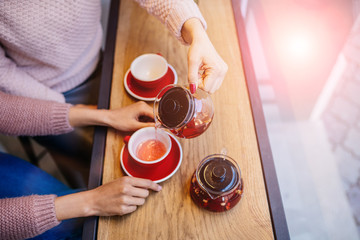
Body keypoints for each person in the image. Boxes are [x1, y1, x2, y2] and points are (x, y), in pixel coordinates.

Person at [0, 0, 228, 238]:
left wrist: (195, 30)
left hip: (102, 62)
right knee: (97, 170)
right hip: (39, 94)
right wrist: (91, 199)